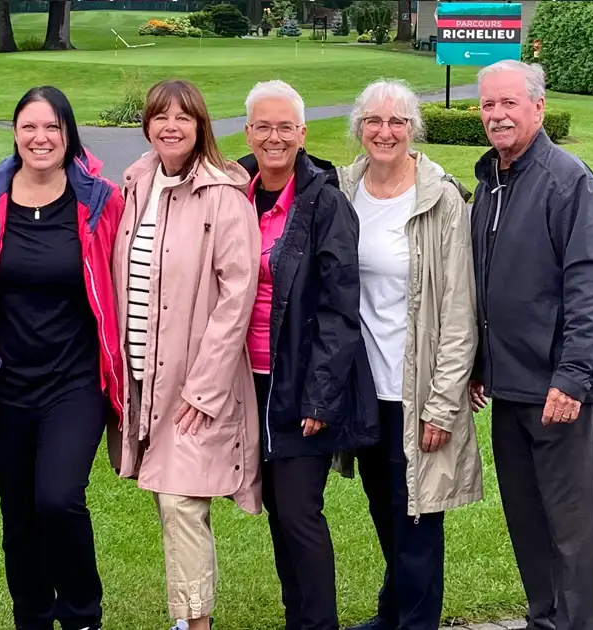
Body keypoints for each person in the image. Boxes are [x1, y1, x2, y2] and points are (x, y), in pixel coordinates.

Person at [0, 86, 124, 630]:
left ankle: (81, 614)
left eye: (52, 127)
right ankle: (30, 615)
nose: (40, 138)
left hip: (75, 382)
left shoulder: (99, 202)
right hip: (5, 383)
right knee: (20, 513)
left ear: (69, 134)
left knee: (58, 499)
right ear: (15, 133)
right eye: (29, 127)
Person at [470, 60, 593, 630]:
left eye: (509, 104)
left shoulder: (567, 179)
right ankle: (544, 621)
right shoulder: (492, 183)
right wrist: (483, 365)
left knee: (574, 535)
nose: (497, 116)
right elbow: (490, 284)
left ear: (538, 108)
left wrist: (572, 377)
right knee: (528, 525)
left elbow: (591, 286)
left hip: (563, 392)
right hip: (510, 390)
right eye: (488, 105)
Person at [111, 79, 261, 630]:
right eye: (159, 117)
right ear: (147, 125)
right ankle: (185, 617)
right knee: (165, 499)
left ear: (201, 126)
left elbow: (236, 297)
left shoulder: (222, 195)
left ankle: (196, 623)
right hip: (142, 375)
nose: (170, 126)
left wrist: (205, 387)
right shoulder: (138, 183)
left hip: (193, 382)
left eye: (183, 117)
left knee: (180, 503)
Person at [335, 79, 482, 630]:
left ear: (413, 128)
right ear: (359, 126)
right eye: (374, 120)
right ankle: (393, 612)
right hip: (364, 392)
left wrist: (442, 405)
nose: (385, 131)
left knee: (418, 518)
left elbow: (459, 310)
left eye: (397, 121)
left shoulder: (439, 198)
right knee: (385, 511)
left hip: (417, 391)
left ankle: (415, 623)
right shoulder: (345, 188)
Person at [234, 80, 378, 630]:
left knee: (298, 511)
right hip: (247, 381)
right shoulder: (233, 191)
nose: (274, 137)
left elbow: (341, 310)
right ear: (248, 130)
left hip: (300, 383)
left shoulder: (325, 201)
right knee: (277, 511)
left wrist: (322, 396)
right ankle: (298, 617)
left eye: (285, 127)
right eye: (263, 126)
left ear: (302, 133)